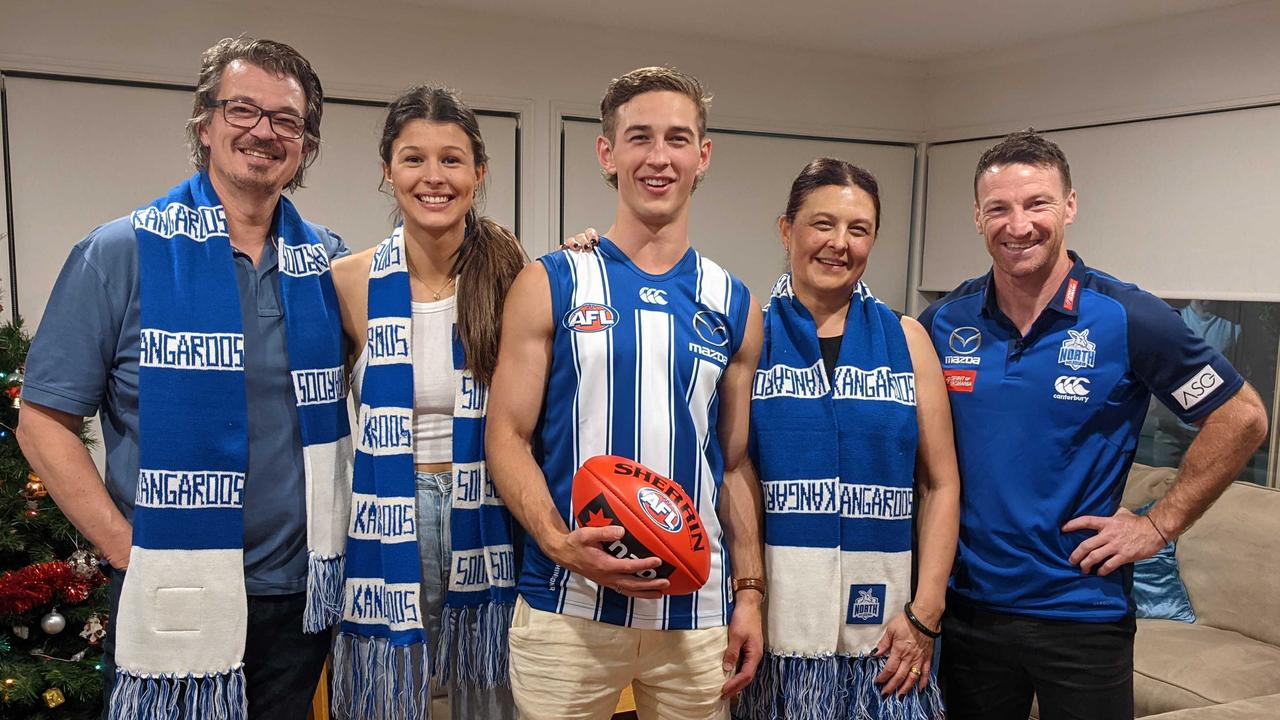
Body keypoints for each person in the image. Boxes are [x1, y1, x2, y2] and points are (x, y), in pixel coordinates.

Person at [16, 36, 351, 720]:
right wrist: (122, 548)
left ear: (305, 145)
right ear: (203, 124)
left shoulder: (331, 264)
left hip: (299, 596)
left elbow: (439, 294)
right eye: (242, 110)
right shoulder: (119, 252)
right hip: (170, 584)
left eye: (286, 120)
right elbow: (42, 420)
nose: (263, 132)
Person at [918, 130, 1269, 720]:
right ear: (977, 216)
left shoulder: (1127, 316)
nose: (1018, 224)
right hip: (967, 610)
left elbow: (1242, 417)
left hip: (1082, 611)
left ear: (1070, 206)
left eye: (1038, 204)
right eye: (999, 208)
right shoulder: (944, 322)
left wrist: (1159, 524)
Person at [485, 66, 765, 720]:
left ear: (703, 155)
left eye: (677, 138)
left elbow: (734, 461)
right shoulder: (551, 280)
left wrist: (748, 592)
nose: (659, 157)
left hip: (695, 612)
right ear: (608, 153)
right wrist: (557, 541)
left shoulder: (736, 303)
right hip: (568, 604)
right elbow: (506, 435)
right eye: (640, 138)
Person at [736, 158, 959, 719]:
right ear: (787, 230)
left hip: (888, 637)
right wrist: (748, 591)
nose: (840, 243)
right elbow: (732, 468)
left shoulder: (908, 339)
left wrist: (926, 613)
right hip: (777, 635)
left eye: (858, 230)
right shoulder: (747, 334)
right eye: (823, 224)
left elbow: (940, 483)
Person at [328, 85, 525, 720]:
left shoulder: (518, 274)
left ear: (479, 172)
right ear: (388, 171)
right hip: (390, 514)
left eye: (452, 160)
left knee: (491, 700)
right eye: (414, 159)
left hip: (491, 512)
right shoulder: (349, 280)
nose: (433, 177)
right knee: (394, 701)